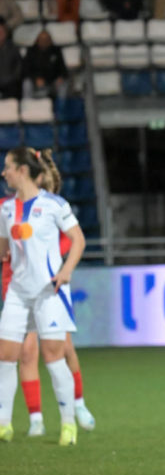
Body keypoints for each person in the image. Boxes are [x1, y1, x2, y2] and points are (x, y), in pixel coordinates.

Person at [0, 154, 96, 436]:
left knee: (55, 356)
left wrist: (66, 270)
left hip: (49, 291)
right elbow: (3, 249)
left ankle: (69, 421)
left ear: (22, 170)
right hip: (18, 292)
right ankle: (5, 423)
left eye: (7, 167)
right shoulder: (6, 208)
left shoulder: (54, 205)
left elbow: (78, 240)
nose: (3, 173)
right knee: (6, 356)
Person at [21, 29, 69, 100]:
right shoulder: (31, 51)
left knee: (63, 85)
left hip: (52, 82)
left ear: (50, 40)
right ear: (37, 40)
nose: (44, 41)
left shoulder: (56, 51)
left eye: (46, 39)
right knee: (26, 83)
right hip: (36, 82)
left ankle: (60, 106)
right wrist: (35, 79)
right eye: (42, 39)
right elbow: (25, 70)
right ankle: (27, 104)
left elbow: (63, 69)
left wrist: (61, 77)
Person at [0, 20, 22, 100]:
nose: (0, 34)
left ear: (6, 33)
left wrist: (11, 79)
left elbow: (19, 67)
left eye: (2, 31)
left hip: (10, 84)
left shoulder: (13, 48)